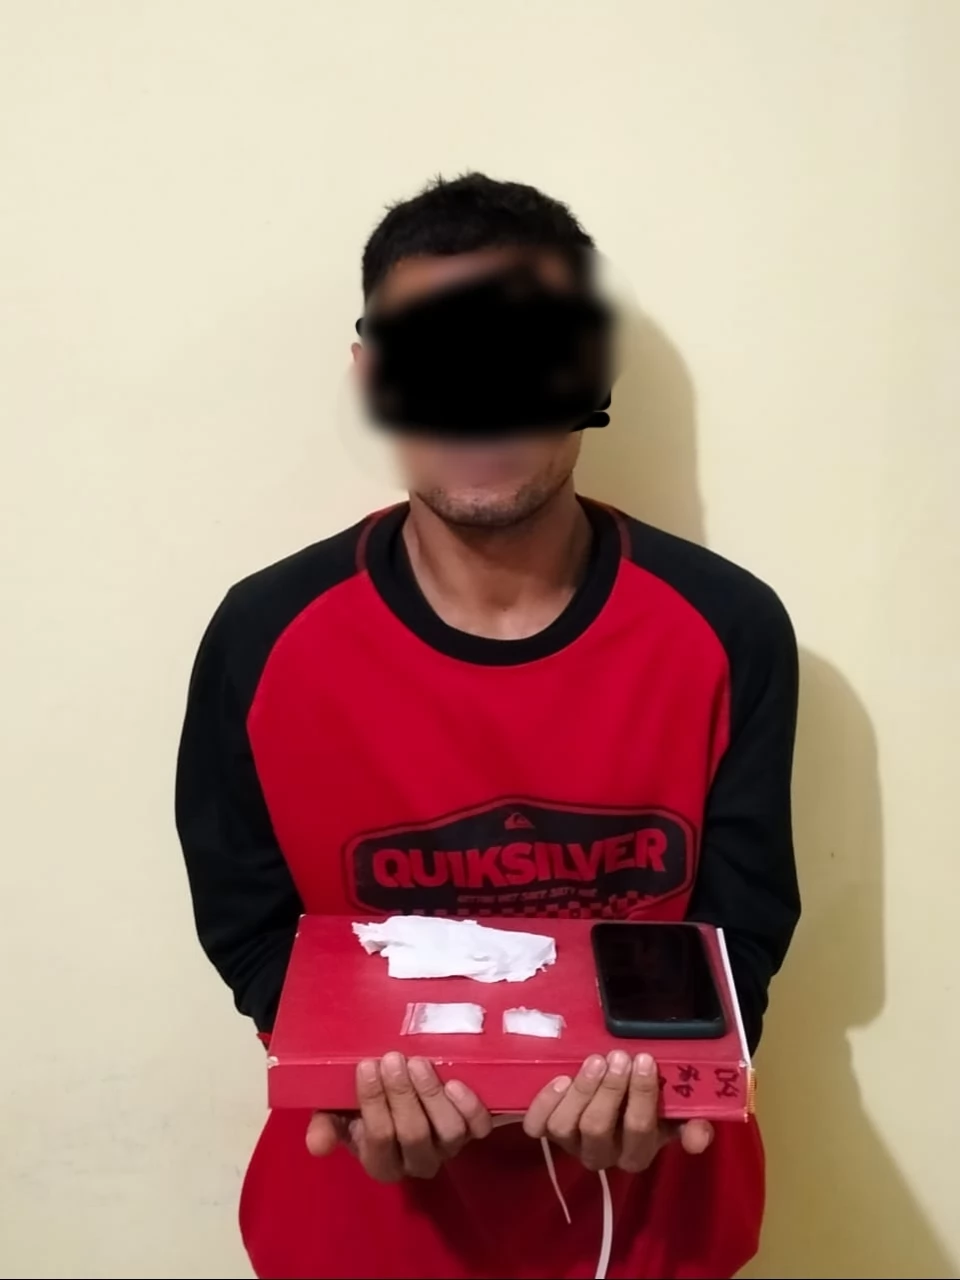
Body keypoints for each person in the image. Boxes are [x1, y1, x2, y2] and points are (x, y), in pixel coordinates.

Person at [176, 172, 800, 1280]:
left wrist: (667, 1088)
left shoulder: (728, 627)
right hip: (361, 1226)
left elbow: (741, 929)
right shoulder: (265, 635)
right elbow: (250, 925)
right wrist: (352, 1083)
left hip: (654, 1224)